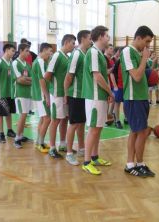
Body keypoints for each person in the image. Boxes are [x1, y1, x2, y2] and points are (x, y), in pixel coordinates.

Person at [120, 26, 155, 177]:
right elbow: (136, 76)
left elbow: (145, 74)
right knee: (141, 132)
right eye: (147, 41)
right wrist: (145, 58)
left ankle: (134, 164)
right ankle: (136, 163)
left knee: (136, 132)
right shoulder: (127, 51)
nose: (148, 45)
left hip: (141, 98)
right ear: (138, 37)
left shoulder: (138, 53)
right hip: (133, 99)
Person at [82, 25, 114, 175]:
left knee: (98, 128)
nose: (109, 38)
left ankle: (94, 157)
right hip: (94, 97)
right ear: (100, 36)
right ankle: (87, 162)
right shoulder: (93, 52)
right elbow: (97, 76)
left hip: (99, 96)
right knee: (93, 129)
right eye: (107, 35)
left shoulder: (99, 53)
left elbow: (103, 75)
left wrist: (106, 93)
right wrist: (110, 91)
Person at [44, 34, 76, 158]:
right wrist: (53, 88)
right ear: (66, 42)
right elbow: (47, 75)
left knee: (65, 119)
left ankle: (63, 144)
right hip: (57, 94)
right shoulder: (57, 56)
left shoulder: (67, 57)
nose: (74, 46)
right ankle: (52, 147)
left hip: (65, 95)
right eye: (73, 43)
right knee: (55, 120)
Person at [64, 30, 91, 165]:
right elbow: (69, 76)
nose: (91, 40)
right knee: (74, 124)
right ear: (83, 39)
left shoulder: (86, 54)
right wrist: (65, 94)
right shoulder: (76, 55)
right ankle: (69, 153)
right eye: (89, 38)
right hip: (74, 94)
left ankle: (81, 148)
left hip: (83, 94)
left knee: (81, 123)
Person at [0, 43, 17, 143]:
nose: (14, 53)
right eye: (12, 50)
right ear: (6, 50)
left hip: (10, 92)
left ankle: (10, 130)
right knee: (1, 114)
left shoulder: (11, 62)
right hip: (1, 92)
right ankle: (1, 134)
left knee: (9, 113)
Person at [31, 43, 53, 153]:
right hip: (41, 94)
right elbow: (42, 80)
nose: (50, 54)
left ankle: (39, 142)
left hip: (39, 94)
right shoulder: (40, 62)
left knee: (43, 118)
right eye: (49, 51)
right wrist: (47, 96)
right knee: (47, 118)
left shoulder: (39, 61)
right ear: (43, 50)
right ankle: (40, 143)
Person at [12, 43, 33, 149]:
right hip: (20, 94)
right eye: (26, 51)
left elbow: (31, 78)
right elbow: (20, 80)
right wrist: (30, 80)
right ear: (20, 51)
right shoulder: (15, 63)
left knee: (25, 115)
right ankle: (16, 139)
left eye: (29, 51)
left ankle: (21, 135)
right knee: (23, 115)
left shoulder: (27, 65)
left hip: (28, 93)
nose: (28, 53)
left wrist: (27, 79)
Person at [112, 47, 126, 129]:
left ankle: (126, 117)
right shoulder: (118, 62)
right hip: (119, 87)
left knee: (126, 103)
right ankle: (117, 120)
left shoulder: (128, 61)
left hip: (126, 87)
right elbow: (112, 74)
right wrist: (115, 86)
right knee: (117, 103)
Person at [104, 44, 115, 125]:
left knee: (109, 101)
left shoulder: (109, 59)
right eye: (110, 48)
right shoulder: (104, 58)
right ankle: (106, 117)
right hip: (105, 84)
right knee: (106, 102)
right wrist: (113, 68)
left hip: (109, 83)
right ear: (106, 49)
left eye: (112, 49)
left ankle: (108, 116)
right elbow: (106, 72)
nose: (112, 50)